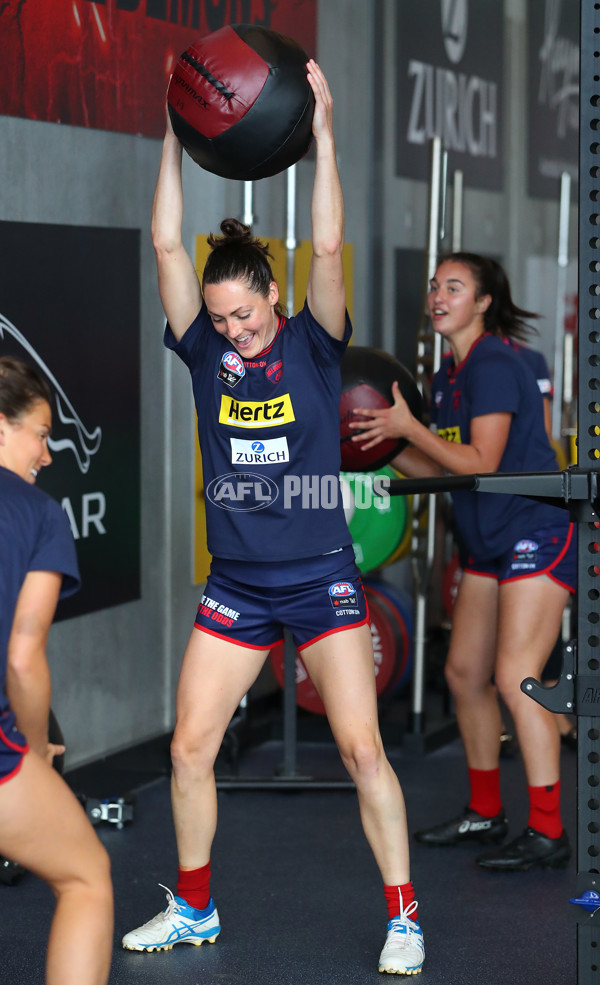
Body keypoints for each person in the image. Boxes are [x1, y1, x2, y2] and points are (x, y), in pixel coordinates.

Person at [121, 61, 424, 976]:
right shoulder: (206, 350)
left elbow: (328, 251)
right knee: (188, 747)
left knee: (361, 746)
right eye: (221, 319)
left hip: (322, 574)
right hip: (238, 583)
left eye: (246, 315)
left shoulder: (315, 347)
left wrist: (326, 138)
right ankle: (196, 906)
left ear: (274, 301)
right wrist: (174, 135)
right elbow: (166, 245)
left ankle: (404, 915)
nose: (235, 331)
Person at [350, 252, 576, 871]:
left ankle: (550, 831)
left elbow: (481, 461)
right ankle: (484, 810)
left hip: (539, 528)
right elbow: (441, 473)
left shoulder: (497, 363)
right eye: (434, 286)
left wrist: (409, 428)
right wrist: (378, 446)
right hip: (489, 541)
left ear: (482, 303)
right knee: (463, 674)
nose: (438, 295)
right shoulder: (449, 375)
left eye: (455, 286)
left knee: (515, 677)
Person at [0, 356, 113, 985]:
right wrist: (35, 750)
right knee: (85, 877)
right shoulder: (38, 514)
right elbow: (22, 654)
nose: (48, 455)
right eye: (41, 435)